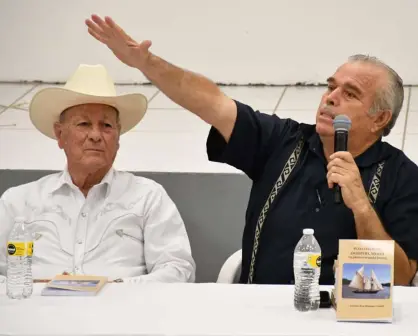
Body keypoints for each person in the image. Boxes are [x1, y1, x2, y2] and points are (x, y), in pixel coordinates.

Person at [85, 15, 418, 286]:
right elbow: (212, 101)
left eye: (350, 93)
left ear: (380, 119)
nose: (330, 98)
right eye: (330, 87)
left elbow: (402, 280)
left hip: (344, 322)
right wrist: (146, 63)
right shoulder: (284, 141)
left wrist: (360, 204)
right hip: (256, 312)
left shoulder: (403, 177)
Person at [0, 63, 196, 284]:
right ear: (60, 134)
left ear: (118, 137)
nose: (95, 135)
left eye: (106, 126)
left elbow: (178, 269)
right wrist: (34, 287)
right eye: (84, 124)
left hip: (123, 314)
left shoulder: (147, 197)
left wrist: (115, 288)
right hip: (36, 314)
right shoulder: (18, 202)